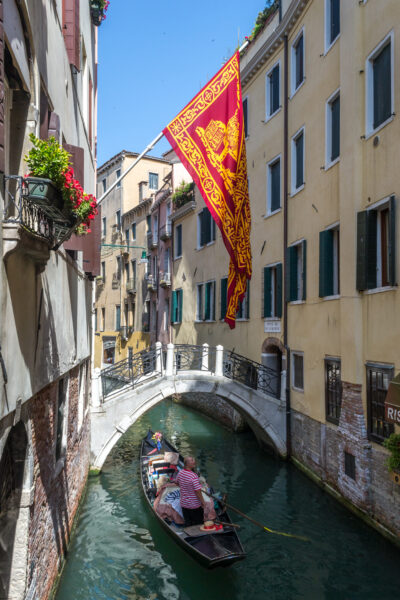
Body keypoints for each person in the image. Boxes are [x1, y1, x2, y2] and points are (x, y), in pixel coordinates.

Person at [176, 456, 205, 526]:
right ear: (187, 464)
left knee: (188, 523)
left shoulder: (180, 473)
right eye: (192, 460)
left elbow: (177, 482)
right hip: (194, 505)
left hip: (184, 505)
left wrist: (186, 487)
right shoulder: (193, 476)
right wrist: (203, 502)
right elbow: (198, 491)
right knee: (199, 524)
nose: (194, 461)